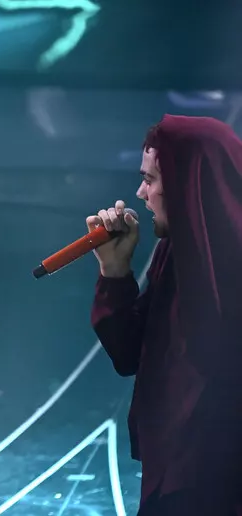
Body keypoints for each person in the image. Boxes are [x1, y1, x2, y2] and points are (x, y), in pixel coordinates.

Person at [89, 114, 242, 515]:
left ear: (189, 182)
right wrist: (114, 271)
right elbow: (130, 355)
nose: (141, 192)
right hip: (175, 474)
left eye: (152, 179)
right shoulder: (176, 251)